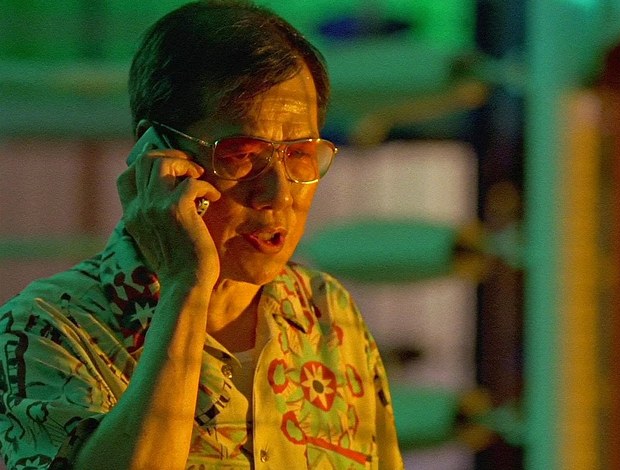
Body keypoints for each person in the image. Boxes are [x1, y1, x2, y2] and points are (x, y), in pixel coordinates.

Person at [0, 1, 403, 468]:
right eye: (241, 154)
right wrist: (184, 287)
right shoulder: (46, 329)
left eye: (300, 154)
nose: (278, 194)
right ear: (156, 153)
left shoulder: (326, 312)